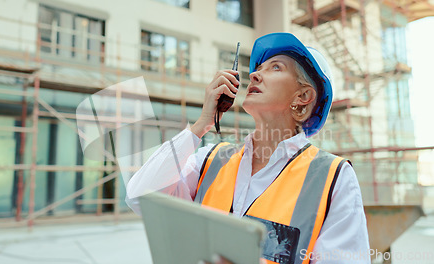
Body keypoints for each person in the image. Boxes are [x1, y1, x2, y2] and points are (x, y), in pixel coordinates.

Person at [126, 33, 370, 264]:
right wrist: (201, 125)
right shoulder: (210, 161)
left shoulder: (333, 178)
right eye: (258, 69)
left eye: (276, 67)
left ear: (303, 96)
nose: (254, 75)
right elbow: (140, 197)